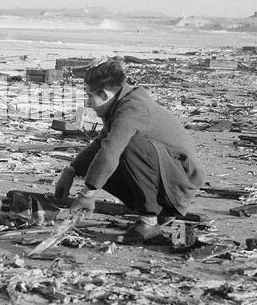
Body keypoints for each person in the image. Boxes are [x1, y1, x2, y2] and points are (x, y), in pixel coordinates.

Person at [53, 58, 206, 243]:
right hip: (166, 178)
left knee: (123, 146)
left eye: (89, 96)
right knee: (100, 158)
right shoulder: (118, 104)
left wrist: (87, 195)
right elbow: (99, 145)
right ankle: (158, 214)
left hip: (179, 184)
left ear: (103, 94)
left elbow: (110, 151)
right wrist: (71, 171)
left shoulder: (132, 107)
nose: (88, 102)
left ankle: (149, 221)